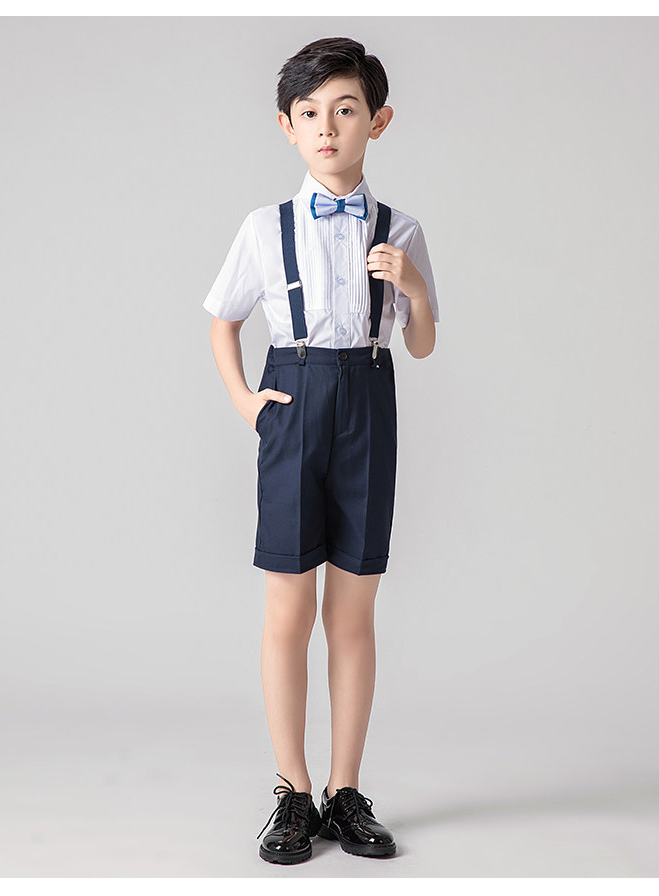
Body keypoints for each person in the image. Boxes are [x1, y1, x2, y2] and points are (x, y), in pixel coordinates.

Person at [202, 36, 440, 865]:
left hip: (368, 398)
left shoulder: (401, 229)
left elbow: (421, 345)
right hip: (294, 397)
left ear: (379, 120)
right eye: (311, 113)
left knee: (353, 611)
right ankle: (292, 792)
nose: (328, 128)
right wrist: (245, 401)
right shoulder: (264, 229)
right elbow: (223, 319)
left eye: (346, 110)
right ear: (287, 125)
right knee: (288, 608)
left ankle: (345, 790)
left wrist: (412, 288)